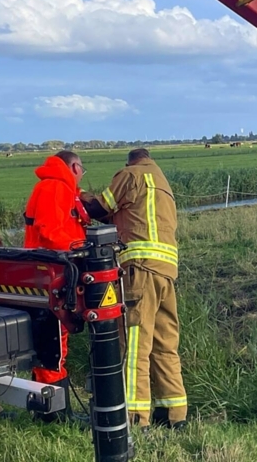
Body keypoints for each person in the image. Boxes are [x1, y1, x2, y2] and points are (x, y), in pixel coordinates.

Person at [86, 148, 187, 432]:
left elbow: (100, 208)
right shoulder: (162, 182)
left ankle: (134, 417)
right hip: (166, 272)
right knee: (165, 344)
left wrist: (81, 198)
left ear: (130, 161)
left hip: (139, 269)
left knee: (135, 345)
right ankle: (174, 413)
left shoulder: (130, 175)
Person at [23, 150, 91, 402]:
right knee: (53, 341)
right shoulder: (55, 187)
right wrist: (83, 248)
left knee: (52, 339)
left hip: (51, 272)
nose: (82, 176)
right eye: (82, 170)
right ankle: (54, 409)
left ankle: (47, 401)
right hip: (51, 273)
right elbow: (50, 231)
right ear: (74, 166)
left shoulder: (55, 187)